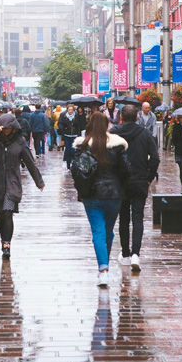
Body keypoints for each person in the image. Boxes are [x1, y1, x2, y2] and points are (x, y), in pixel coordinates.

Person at [72, 113, 130, 287]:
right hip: (113, 195)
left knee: (98, 231)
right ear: (107, 125)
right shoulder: (117, 145)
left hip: (91, 195)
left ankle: (103, 270)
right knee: (108, 231)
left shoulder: (82, 146)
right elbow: (126, 171)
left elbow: (75, 171)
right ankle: (104, 266)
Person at [0, 113, 45, 259]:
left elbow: (30, 162)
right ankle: (3, 238)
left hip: (12, 183)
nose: (6, 131)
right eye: (3, 128)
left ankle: (7, 245)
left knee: (8, 212)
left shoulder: (20, 142)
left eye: (9, 128)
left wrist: (39, 182)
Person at [110, 105, 158, 273]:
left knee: (123, 217)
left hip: (119, 182)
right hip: (139, 181)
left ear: (121, 117)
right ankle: (136, 253)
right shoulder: (144, 133)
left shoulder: (114, 132)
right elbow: (155, 158)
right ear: (137, 117)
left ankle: (125, 253)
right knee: (138, 217)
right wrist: (149, 177)